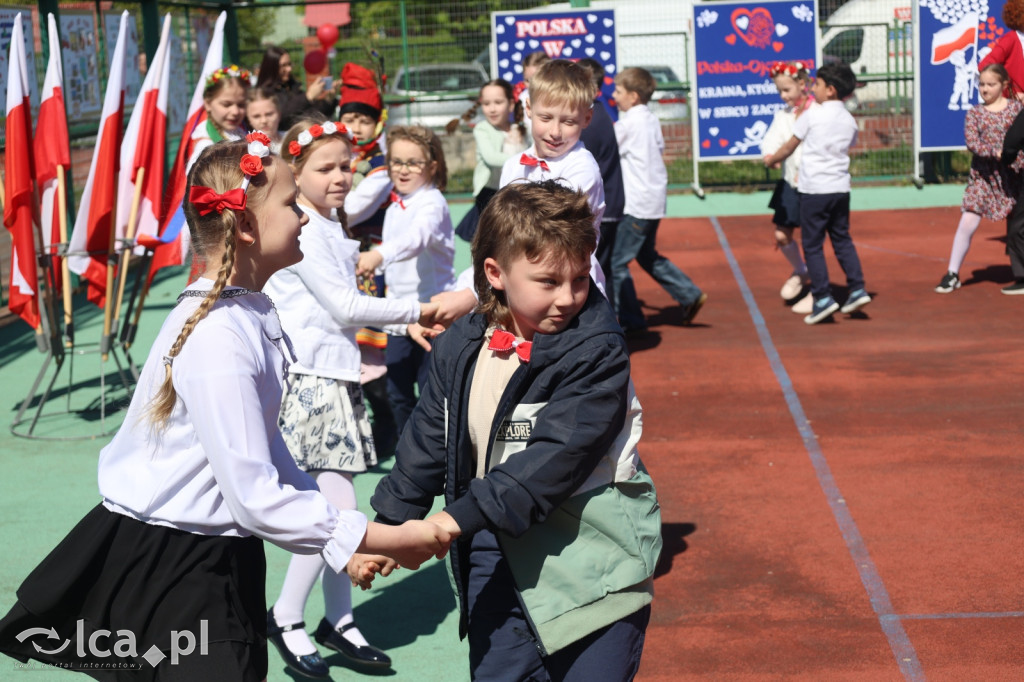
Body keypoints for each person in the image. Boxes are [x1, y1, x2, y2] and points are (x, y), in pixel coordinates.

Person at [0, 137, 450, 679]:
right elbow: (255, 497)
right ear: (245, 227)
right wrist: (385, 536)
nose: (304, 218)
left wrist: (344, 541)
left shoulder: (247, 311)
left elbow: (268, 452)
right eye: (290, 204)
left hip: (213, 555)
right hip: (174, 564)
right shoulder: (219, 336)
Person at [371, 180, 662, 681]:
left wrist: (445, 523)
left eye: (579, 277)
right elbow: (428, 442)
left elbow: (551, 459)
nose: (568, 297)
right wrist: (388, 529)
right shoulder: (461, 343)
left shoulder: (596, 349)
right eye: (548, 281)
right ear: (495, 273)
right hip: (494, 550)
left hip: (594, 557)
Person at [262, 117, 439, 678]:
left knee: (340, 512)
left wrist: (396, 329)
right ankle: (288, 616)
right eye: (325, 168)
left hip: (336, 377)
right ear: (295, 172)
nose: (341, 176)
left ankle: (336, 619)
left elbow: (340, 313)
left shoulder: (330, 223)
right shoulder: (307, 228)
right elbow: (343, 306)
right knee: (336, 514)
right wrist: (419, 310)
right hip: (310, 381)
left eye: (346, 165)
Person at [355, 126, 455, 434]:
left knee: (433, 395)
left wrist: (377, 256)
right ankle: (409, 454)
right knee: (398, 393)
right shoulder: (397, 202)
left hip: (432, 314)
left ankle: (439, 462)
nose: (403, 169)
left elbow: (416, 239)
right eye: (396, 162)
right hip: (400, 317)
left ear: (432, 166)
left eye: (413, 162)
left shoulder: (431, 202)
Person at [764, 63, 870, 325]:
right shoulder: (849, 119)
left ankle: (822, 296)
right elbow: (849, 144)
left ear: (830, 90)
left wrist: (771, 159)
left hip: (815, 190)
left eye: (819, 85)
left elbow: (790, 146)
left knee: (812, 245)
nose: (815, 89)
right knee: (842, 239)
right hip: (840, 190)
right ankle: (857, 288)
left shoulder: (812, 115)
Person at [611, 67, 707, 330]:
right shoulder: (651, 119)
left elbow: (607, 147)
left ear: (633, 96)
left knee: (616, 263)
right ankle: (689, 294)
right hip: (652, 201)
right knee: (646, 255)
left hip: (637, 205)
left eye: (618, 91)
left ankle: (631, 320)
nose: (614, 95)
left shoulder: (629, 123)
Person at [499, 59, 607, 292]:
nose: (555, 132)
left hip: (572, 289)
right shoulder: (513, 166)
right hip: (524, 286)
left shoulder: (582, 169)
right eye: (545, 118)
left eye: (568, 121)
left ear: (586, 118)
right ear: (528, 110)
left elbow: (549, 235)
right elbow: (502, 230)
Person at [335, 61, 398, 456]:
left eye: (363, 119)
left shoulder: (381, 164)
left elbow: (352, 208)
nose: (356, 127)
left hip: (368, 267)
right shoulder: (338, 156)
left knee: (369, 351)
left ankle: (389, 426)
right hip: (340, 262)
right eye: (350, 119)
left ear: (378, 123)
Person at [935, 64, 1022, 293]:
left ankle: (1021, 274)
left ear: (1004, 85)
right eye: (981, 84)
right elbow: (972, 142)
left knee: (1018, 228)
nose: (985, 89)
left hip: (1013, 175)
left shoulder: (1016, 109)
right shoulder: (974, 112)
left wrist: (1014, 157)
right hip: (983, 177)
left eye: (991, 84)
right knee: (968, 219)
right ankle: (952, 273)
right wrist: (995, 151)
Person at [761, 61, 814, 313]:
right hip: (790, 184)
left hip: (815, 186)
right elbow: (771, 140)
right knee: (782, 235)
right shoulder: (782, 116)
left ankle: (819, 289)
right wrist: (769, 155)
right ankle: (801, 272)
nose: (783, 96)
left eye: (787, 90)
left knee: (814, 240)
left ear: (802, 85)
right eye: (780, 91)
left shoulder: (817, 111)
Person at [455, 78, 529, 243]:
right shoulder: (483, 129)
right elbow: (491, 158)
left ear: (510, 104)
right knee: (487, 244)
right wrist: (526, 160)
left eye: (498, 102)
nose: (492, 109)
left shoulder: (521, 130)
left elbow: (534, 153)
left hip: (518, 194)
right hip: (490, 195)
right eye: (487, 104)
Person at [577, 58, 625, 285]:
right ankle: (629, 317)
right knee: (604, 270)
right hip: (607, 204)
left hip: (602, 208)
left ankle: (619, 319)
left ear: (593, 89)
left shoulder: (590, 121)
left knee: (596, 275)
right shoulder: (598, 113)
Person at [256, 45, 335, 130]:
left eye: (289, 64)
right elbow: (280, 115)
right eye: (283, 65)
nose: (289, 69)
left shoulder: (293, 87)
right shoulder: (264, 93)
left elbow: (310, 115)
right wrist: (307, 97)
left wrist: (328, 101)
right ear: (272, 67)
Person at [188, 65, 250, 171]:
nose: (235, 112)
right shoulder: (205, 146)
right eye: (226, 104)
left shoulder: (240, 131)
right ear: (208, 104)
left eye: (241, 105)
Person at [517, 51, 550, 136]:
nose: (531, 85)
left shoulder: (556, 97)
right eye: (527, 80)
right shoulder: (522, 98)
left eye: (536, 79)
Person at [245, 86, 283, 153]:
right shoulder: (246, 149)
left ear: (279, 114)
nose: (264, 121)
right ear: (248, 119)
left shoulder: (293, 138)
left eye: (269, 114)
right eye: (256, 116)